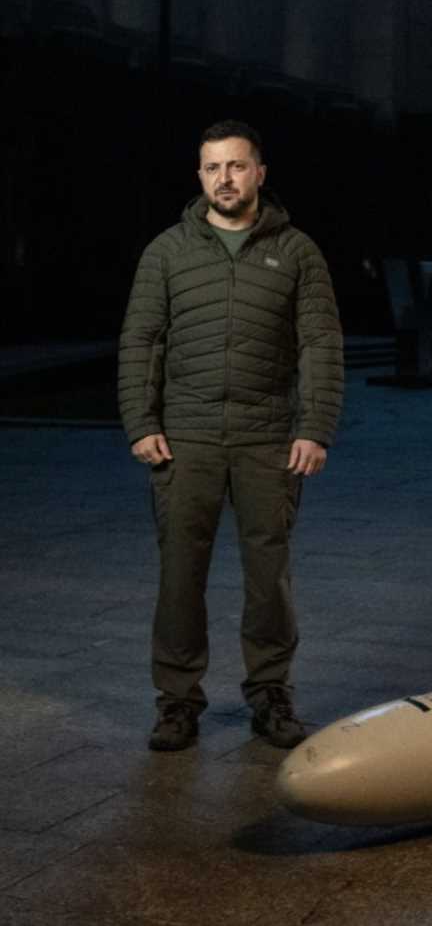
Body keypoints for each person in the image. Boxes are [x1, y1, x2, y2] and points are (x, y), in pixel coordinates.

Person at [118, 120, 344, 752]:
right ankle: (176, 701)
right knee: (179, 574)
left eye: (237, 166)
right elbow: (141, 340)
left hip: (267, 439)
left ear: (260, 174)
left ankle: (271, 694)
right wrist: (141, 422)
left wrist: (315, 429)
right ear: (199, 176)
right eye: (213, 167)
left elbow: (320, 344)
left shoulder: (297, 251)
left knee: (268, 575)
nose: (225, 178)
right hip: (183, 440)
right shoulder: (167, 251)